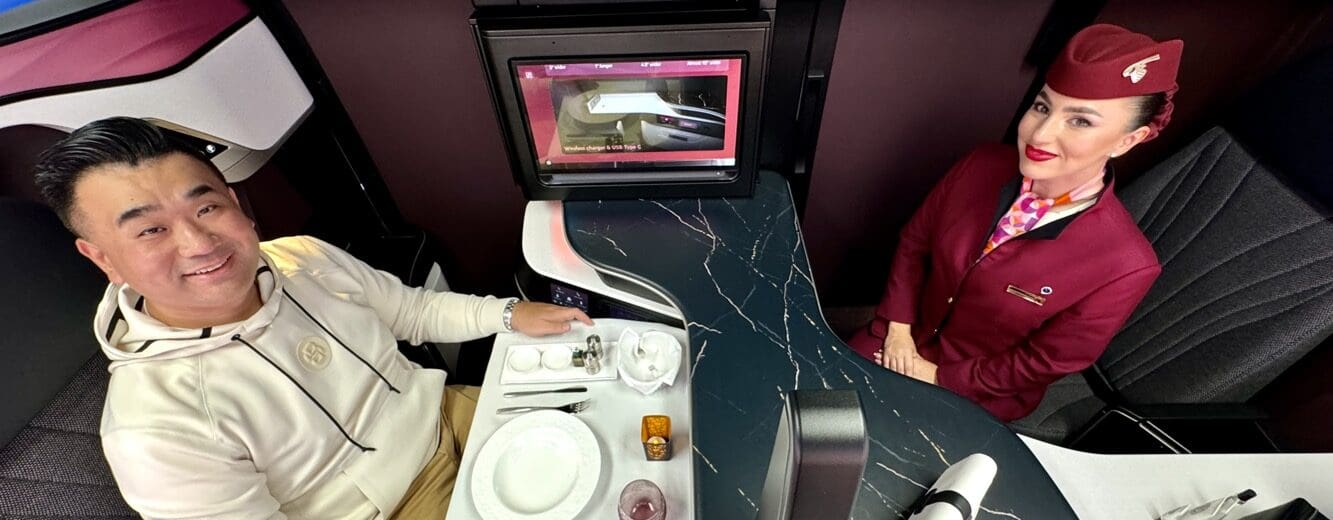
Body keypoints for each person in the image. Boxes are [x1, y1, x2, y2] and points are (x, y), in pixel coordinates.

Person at [32, 117, 592, 519]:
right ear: (103, 257)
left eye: (206, 207)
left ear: (236, 203)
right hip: (397, 508)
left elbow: (413, 311)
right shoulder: (154, 430)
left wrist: (509, 314)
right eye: (150, 229)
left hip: (450, 412)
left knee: (622, 434)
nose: (199, 242)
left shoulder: (303, 255)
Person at [847, 24, 1183, 421]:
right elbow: (914, 245)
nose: (1039, 134)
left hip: (977, 391)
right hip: (898, 338)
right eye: (1043, 107)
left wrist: (939, 376)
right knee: (816, 410)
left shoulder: (1127, 265)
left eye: (1080, 121)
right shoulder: (981, 165)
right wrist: (899, 331)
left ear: (1128, 140)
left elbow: (1044, 360)